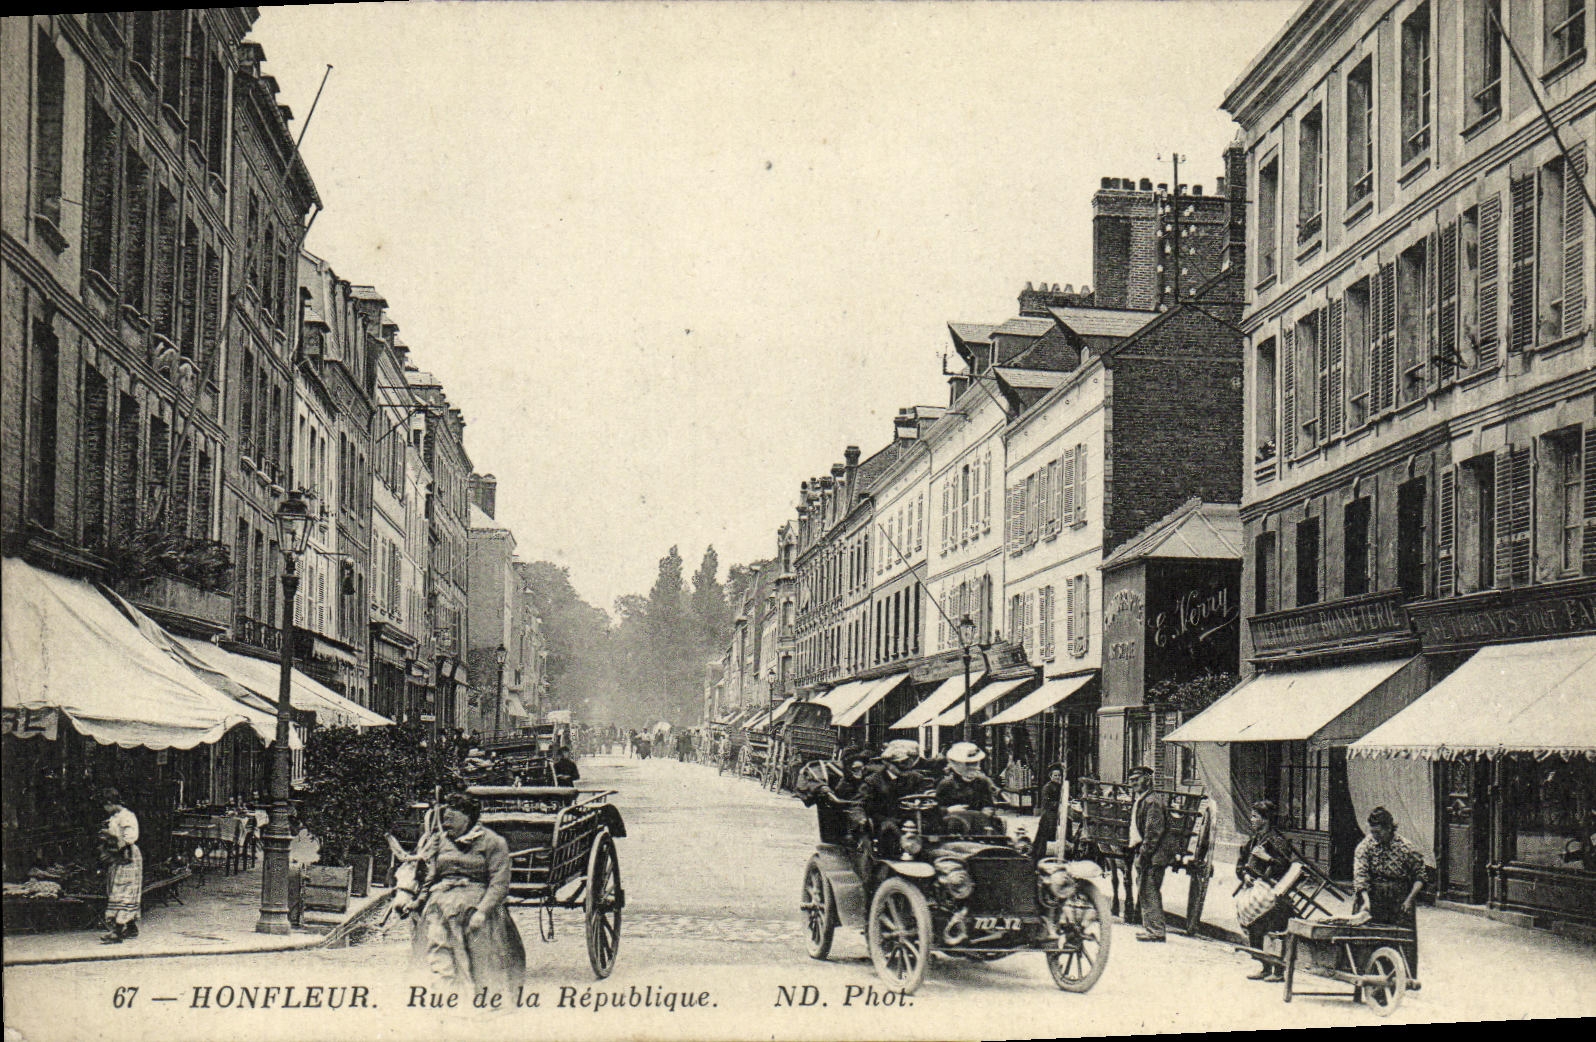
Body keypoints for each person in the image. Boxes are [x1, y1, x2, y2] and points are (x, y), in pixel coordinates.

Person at [398, 792, 525, 996]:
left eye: (451, 818)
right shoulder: (440, 841)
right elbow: (431, 876)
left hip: (476, 907)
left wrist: (482, 912)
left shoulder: (493, 842)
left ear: (467, 817)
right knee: (437, 952)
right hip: (440, 906)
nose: (446, 824)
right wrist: (418, 901)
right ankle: (444, 999)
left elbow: (499, 884)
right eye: (444, 819)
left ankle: (483, 1000)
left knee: (480, 959)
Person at [1352, 805, 1425, 977]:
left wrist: (1409, 900)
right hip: (1372, 896)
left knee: (1399, 938)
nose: (1375, 836)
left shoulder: (1407, 848)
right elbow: (1360, 876)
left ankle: (1400, 977)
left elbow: (1420, 877)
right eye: (1372, 832)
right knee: (1368, 936)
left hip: (1399, 899)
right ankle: (1366, 975)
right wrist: (1366, 902)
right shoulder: (1365, 846)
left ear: (1389, 828)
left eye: (1378, 832)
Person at [1236, 799, 1297, 981]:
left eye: (1255, 817)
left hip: (1275, 894)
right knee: (1253, 924)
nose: (1252, 820)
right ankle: (1264, 966)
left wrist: (1267, 858)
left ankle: (1278, 971)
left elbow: (1284, 866)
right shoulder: (1254, 840)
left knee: (1273, 930)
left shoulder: (1277, 840)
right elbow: (1242, 863)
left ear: (1265, 819)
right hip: (1257, 890)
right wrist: (1244, 875)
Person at [1128, 765, 1179, 942]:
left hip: (1155, 855)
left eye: (1137, 779)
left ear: (1148, 780)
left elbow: (1153, 833)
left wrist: (1143, 856)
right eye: (1131, 780)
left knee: (1149, 890)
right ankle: (1152, 929)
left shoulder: (1153, 802)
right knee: (1146, 889)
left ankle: (1156, 931)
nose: (1133, 782)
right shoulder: (1144, 799)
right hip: (1151, 853)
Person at [860, 740, 932, 859]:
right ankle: (890, 860)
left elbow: (925, 794)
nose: (905, 767)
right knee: (889, 828)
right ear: (887, 763)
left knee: (931, 826)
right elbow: (863, 803)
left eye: (907, 763)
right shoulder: (873, 781)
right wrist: (862, 819)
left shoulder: (916, 777)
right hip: (886, 819)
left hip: (912, 817)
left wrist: (921, 801)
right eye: (900, 764)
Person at [97, 789, 142, 944]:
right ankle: (130, 927)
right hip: (118, 856)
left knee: (123, 889)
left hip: (127, 856)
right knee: (119, 888)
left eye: (105, 806)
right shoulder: (115, 817)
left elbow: (129, 837)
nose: (105, 810)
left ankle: (116, 931)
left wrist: (113, 839)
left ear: (110, 803)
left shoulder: (127, 817)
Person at [935, 742, 999, 814]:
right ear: (957, 764)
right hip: (954, 820)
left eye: (975, 763)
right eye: (968, 764)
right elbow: (936, 810)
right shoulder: (946, 784)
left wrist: (987, 811)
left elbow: (990, 803)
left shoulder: (983, 781)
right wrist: (948, 810)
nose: (973, 767)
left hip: (979, 821)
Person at [1032, 763, 1066, 865]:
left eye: (1059, 775)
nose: (1057, 777)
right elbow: (1046, 803)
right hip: (1048, 815)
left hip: (1055, 815)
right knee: (1043, 838)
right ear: (1051, 776)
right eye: (1055, 775)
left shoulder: (1060, 787)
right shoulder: (1047, 787)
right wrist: (1059, 804)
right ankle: (1038, 858)